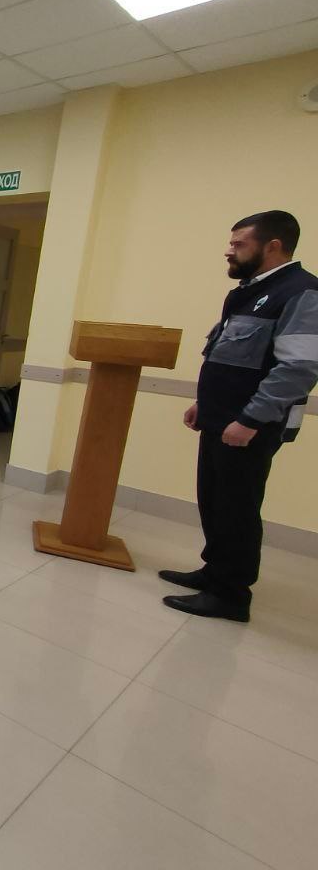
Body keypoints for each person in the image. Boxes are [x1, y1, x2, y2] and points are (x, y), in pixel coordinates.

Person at [160, 211, 318, 622]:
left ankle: (230, 595)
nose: (229, 251)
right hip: (220, 418)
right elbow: (227, 353)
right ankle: (214, 572)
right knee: (214, 500)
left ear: (273, 246)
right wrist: (204, 402)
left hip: (248, 426)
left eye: (239, 243)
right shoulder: (247, 291)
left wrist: (250, 420)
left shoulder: (301, 292)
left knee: (237, 508)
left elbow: (298, 369)